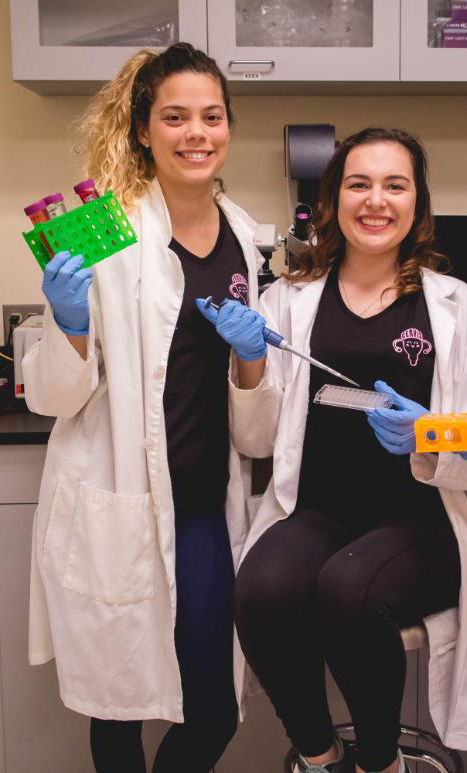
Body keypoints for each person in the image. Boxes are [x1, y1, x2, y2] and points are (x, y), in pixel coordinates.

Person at [218, 127, 467, 773]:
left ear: (417, 203)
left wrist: (431, 432)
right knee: (261, 587)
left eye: (394, 185)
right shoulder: (286, 300)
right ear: (331, 200)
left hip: (421, 518)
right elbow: (254, 439)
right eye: (358, 184)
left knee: (347, 587)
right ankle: (320, 756)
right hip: (318, 512)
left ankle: (379, 763)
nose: (376, 200)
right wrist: (251, 360)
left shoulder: (460, 307)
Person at [23, 43, 268, 773]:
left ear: (228, 126)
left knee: (215, 709)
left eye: (211, 116)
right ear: (143, 131)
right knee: (118, 700)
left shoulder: (245, 237)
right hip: (120, 500)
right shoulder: (104, 228)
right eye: (175, 117)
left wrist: (252, 357)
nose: (196, 133)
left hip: (201, 506)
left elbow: (252, 428)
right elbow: (54, 396)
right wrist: (68, 321)